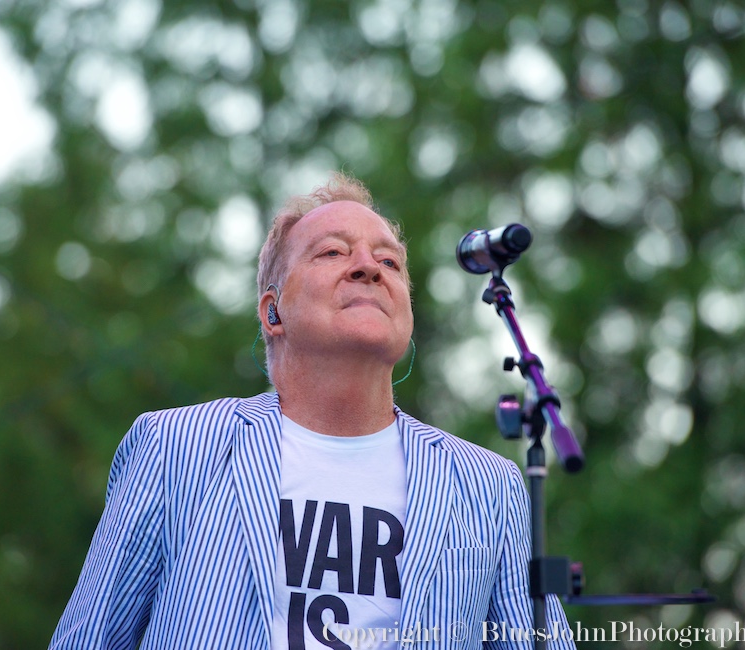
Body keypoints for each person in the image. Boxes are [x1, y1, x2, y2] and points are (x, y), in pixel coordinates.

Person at [49, 173, 575, 649]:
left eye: (389, 261)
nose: (369, 267)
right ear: (272, 311)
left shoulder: (489, 489)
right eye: (331, 253)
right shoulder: (177, 447)